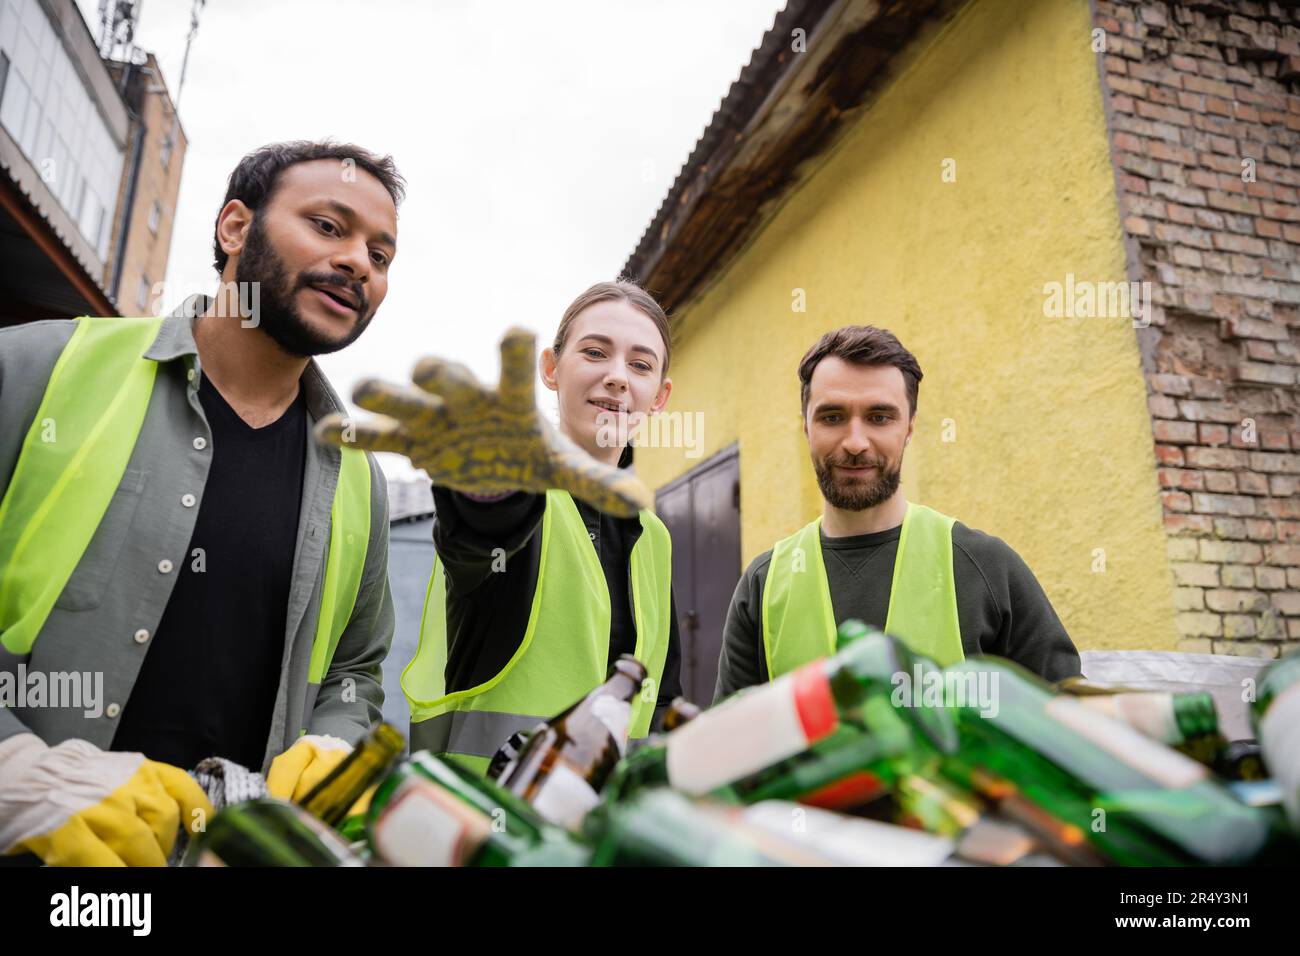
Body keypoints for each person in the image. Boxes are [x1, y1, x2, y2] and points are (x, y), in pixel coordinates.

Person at [0, 140, 401, 865]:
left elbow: (356, 666)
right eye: (330, 227)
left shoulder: (357, 477)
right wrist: (17, 774)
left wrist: (334, 739)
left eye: (382, 256)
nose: (358, 265)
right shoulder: (37, 369)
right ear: (235, 228)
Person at [318, 280, 682, 774]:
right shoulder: (518, 496)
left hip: (598, 839)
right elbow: (486, 532)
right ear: (551, 369)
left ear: (659, 396)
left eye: (640, 365)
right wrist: (487, 490)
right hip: (480, 830)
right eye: (595, 352)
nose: (618, 377)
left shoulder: (655, 540)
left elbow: (660, 701)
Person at [715, 325, 1080, 701]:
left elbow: (1065, 729)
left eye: (879, 417)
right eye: (832, 417)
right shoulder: (763, 585)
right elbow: (732, 747)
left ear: (909, 427)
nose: (855, 443)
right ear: (805, 426)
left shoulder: (987, 569)